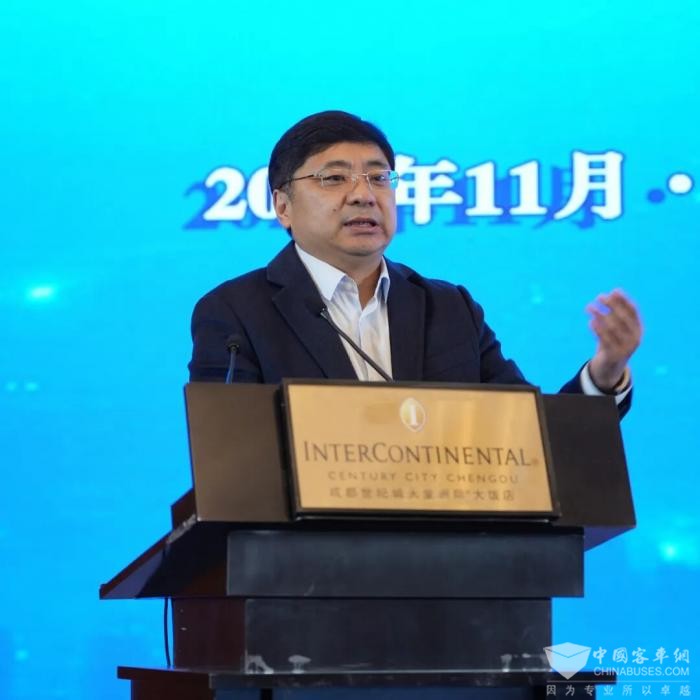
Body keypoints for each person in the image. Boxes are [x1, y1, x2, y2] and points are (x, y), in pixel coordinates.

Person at [188, 111, 642, 416]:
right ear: (283, 206)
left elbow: (528, 435)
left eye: (378, 177)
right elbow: (232, 457)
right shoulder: (235, 314)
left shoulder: (449, 308)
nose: (364, 194)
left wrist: (603, 375)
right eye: (334, 178)